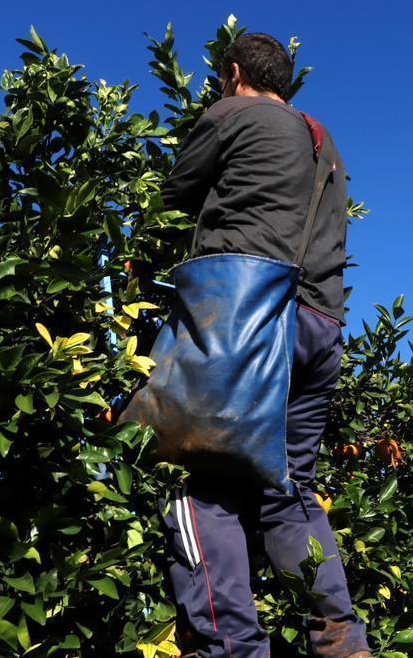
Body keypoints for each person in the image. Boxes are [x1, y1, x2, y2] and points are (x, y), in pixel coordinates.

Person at [156, 33, 371, 658]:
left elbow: (174, 196)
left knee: (206, 478)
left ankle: (231, 648)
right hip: (320, 326)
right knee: (290, 488)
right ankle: (339, 638)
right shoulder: (323, 140)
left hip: (247, 316)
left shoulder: (232, 113)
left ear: (232, 74)